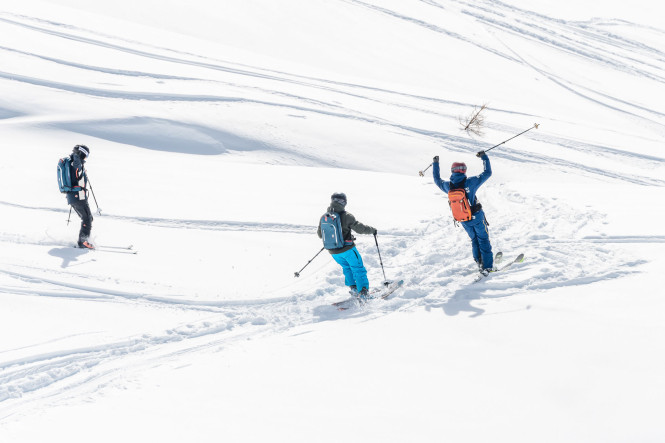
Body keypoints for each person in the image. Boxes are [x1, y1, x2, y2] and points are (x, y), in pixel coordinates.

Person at [432, 151, 494, 275]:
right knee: (483, 240)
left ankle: (479, 262)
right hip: (476, 217)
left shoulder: (448, 186)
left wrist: (435, 164)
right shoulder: (471, 182)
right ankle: (487, 267)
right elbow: (488, 173)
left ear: (452, 171)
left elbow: (437, 180)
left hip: (463, 219)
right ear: (464, 171)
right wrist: (484, 157)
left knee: (474, 240)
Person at [317, 192, 377, 297]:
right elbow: (360, 229)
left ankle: (354, 289)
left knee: (347, 268)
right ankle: (363, 293)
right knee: (358, 269)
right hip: (348, 250)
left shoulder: (325, 216)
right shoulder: (347, 216)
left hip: (333, 252)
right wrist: (372, 230)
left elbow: (320, 235)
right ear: (344, 202)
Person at [66, 145, 95, 249]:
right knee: (87, 218)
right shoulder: (76, 162)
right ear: (82, 154)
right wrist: (80, 168)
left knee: (87, 218)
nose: (86, 158)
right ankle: (83, 241)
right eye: (86, 155)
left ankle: (83, 240)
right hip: (78, 196)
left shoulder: (73, 160)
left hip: (74, 196)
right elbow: (76, 168)